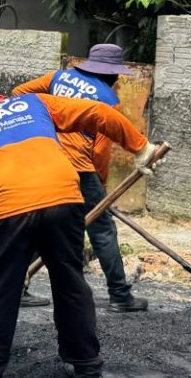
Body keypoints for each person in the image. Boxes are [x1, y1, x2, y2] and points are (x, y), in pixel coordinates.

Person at [0, 82, 152, 378]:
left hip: (2, 208)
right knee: (70, 283)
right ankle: (87, 373)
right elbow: (97, 112)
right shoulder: (32, 104)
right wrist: (141, 146)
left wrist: (1, 268)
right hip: (64, 196)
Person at [13, 44, 146, 312]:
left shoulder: (57, 78)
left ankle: (15, 290)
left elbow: (18, 94)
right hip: (78, 167)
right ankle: (120, 295)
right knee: (103, 230)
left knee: (39, 223)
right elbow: (99, 150)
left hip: (42, 158)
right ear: (114, 76)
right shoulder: (107, 99)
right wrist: (100, 190)